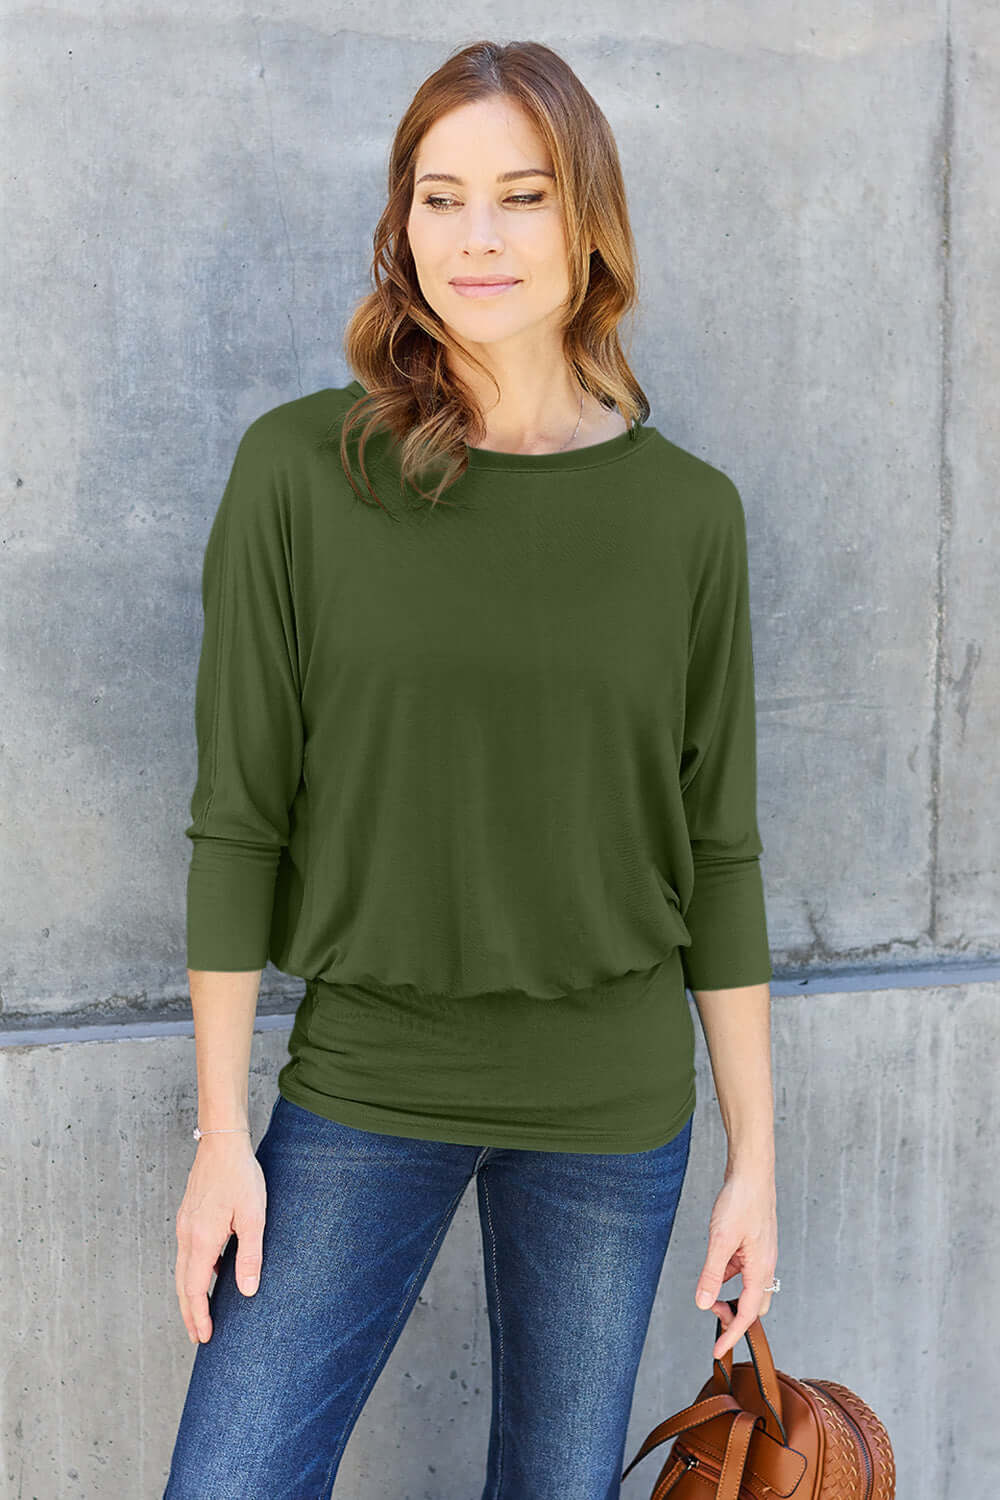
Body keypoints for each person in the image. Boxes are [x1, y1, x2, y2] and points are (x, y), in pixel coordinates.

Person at [163, 38, 779, 1500]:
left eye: (521, 195)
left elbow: (720, 853)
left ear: (589, 226)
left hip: (614, 1105)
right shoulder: (299, 476)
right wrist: (217, 1137)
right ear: (403, 226)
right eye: (441, 199)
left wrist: (759, 1158)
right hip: (369, 1074)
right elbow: (238, 820)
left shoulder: (690, 516)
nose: (477, 237)